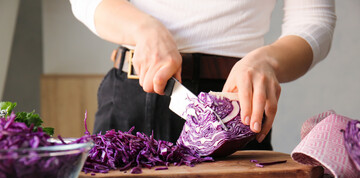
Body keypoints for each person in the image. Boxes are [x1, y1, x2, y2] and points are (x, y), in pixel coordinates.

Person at [69, 0, 336, 150]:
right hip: (133, 92)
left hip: (234, 104)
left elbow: (315, 18)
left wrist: (268, 59)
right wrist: (144, 28)